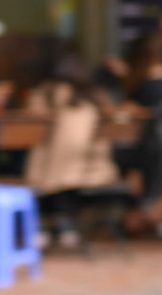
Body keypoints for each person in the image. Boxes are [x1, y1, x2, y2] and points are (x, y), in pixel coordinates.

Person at [22, 54, 122, 249]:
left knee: (43, 164)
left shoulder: (48, 92)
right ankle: (65, 225)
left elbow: (30, 122)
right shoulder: (96, 94)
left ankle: (45, 225)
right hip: (93, 168)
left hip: (55, 169)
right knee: (59, 170)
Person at [119, 33, 162, 235]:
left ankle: (146, 212)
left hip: (149, 152)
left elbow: (125, 113)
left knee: (124, 157)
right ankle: (157, 213)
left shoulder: (145, 84)